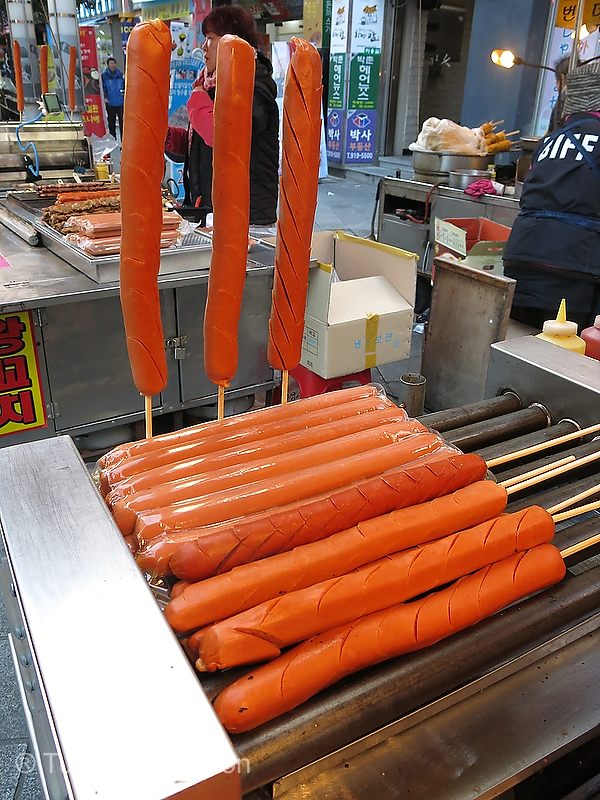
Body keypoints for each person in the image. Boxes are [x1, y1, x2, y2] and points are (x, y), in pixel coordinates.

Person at [502, 60, 600, 331]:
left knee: (519, 344)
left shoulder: (548, 141)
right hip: (573, 269)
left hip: (521, 259)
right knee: (564, 348)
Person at [182, 5, 279, 225]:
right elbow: (204, 146)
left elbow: (221, 136)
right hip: (216, 210)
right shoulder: (213, 85)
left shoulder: (253, 86)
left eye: (210, 38)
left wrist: (196, 102)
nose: (204, 47)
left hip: (247, 216)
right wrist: (168, 137)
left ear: (231, 42)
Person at [101, 57, 124, 140]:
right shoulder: (104, 76)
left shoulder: (121, 75)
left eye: (114, 63)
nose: (113, 65)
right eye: (111, 63)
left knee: (122, 123)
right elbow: (102, 88)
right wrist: (104, 97)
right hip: (110, 103)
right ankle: (113, 140)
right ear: (108, 65)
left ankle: (123, 140)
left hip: (121, 103)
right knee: (111, 123)